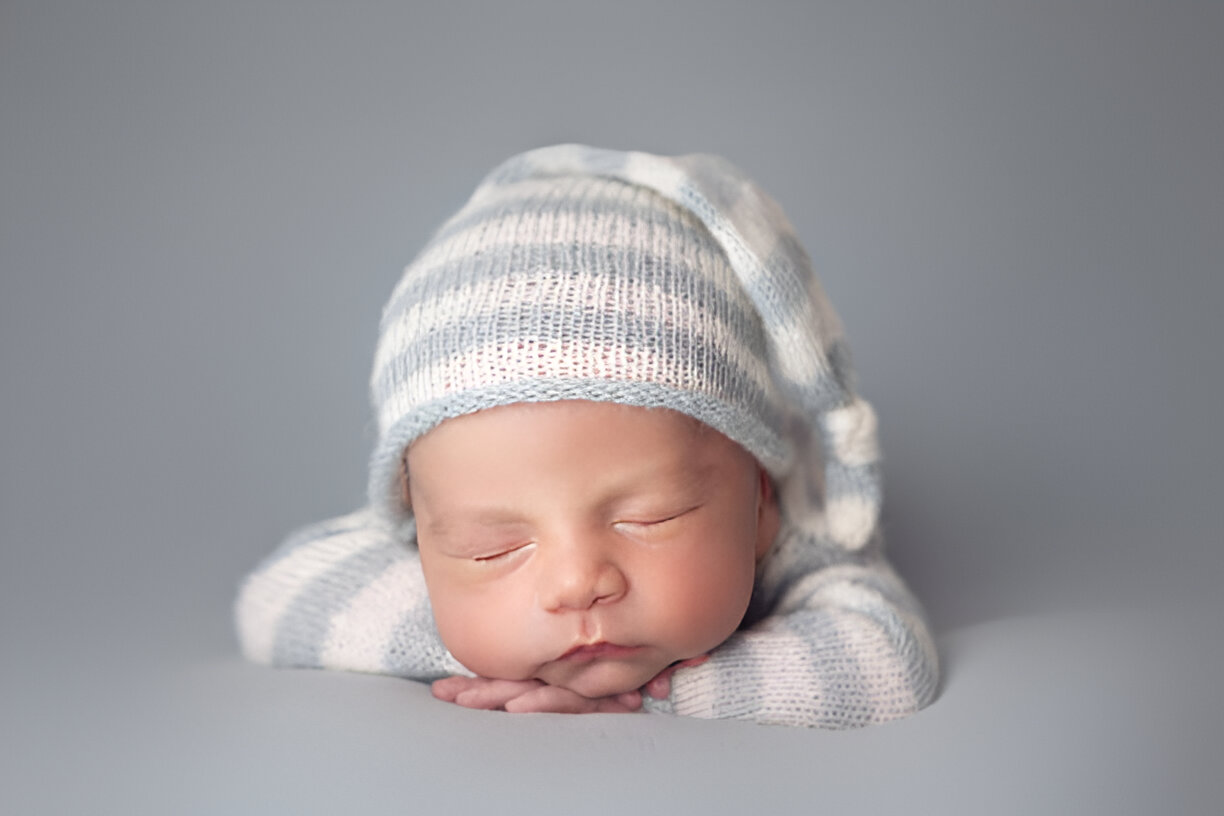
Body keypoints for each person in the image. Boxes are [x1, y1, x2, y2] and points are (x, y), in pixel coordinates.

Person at [234, 143, 940, 727]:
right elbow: (272, 599)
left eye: (648, 518)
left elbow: (889, 663)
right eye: (493, 550)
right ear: (418, 529)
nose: (578, 584)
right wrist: (473, 646)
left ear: (760, 501)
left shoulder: (797, 540)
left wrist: (645, 697)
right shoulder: (432, 530)